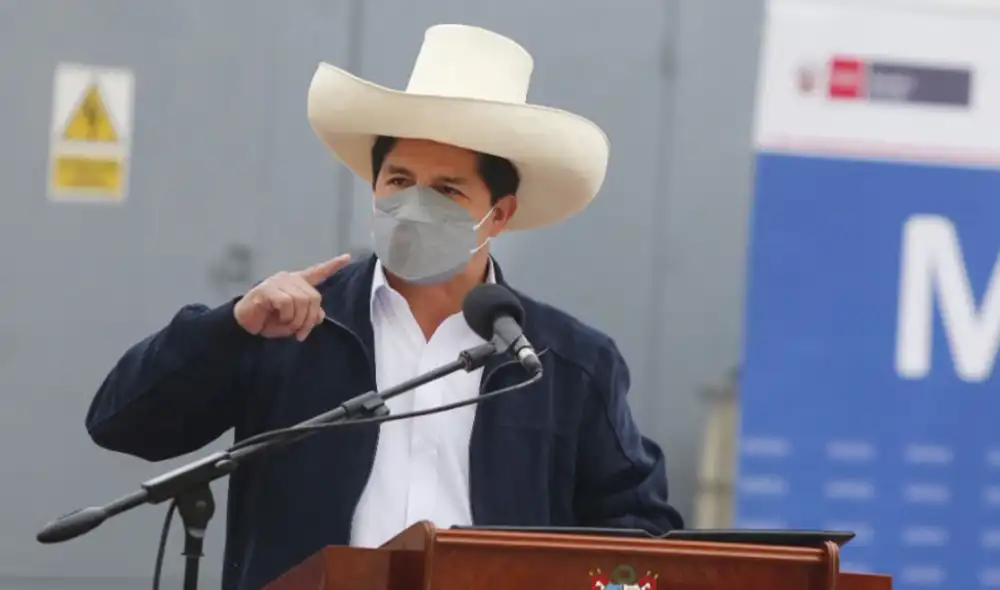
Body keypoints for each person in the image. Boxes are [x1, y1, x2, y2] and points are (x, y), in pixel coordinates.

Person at [85, 24, 683, 590]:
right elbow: (122, 423)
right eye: (398, 181)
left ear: (499, 214)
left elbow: (641, 536)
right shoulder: (292, 326)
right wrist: (230, 328)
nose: (415, 205)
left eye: (447, 190)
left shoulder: (566, 361)